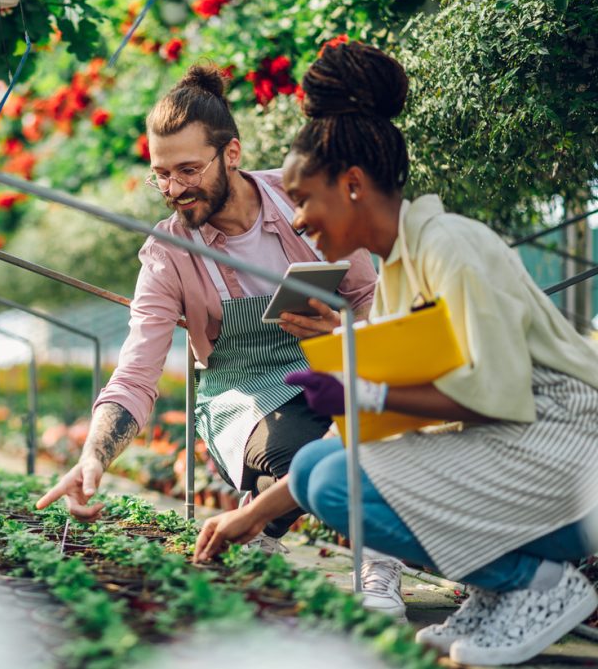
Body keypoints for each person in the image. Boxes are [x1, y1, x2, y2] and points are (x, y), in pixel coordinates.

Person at [192, 41, 598, 666]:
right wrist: (253, 516)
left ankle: (536, 584)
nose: (297, 222)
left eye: (303, 199)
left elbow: (499, 397)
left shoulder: (450, 245)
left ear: (352, 185)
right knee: (320, 473)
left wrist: (368, 392)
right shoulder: (400, 275)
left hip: (572, 460)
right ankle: (505, 586)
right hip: (528, 462)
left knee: (336, 481)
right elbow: (372, 433)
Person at [34, 64, 407, 615]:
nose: (174, 189)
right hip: (244, 392)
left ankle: (376, 561)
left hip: (333, 360)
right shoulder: (166, 254)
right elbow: (137, 371)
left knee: (384, 427)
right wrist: (94, 456)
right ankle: (265, 517)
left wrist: (344, 332)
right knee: (289, 454)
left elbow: (365, 292)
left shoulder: (299, 196)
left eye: (188, 169)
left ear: (231, 154)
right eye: (160, 175)